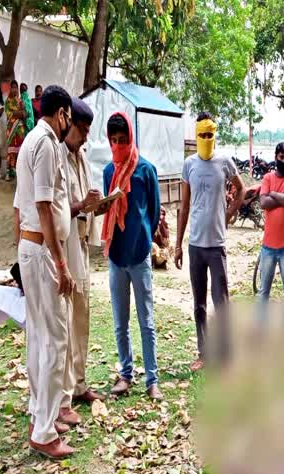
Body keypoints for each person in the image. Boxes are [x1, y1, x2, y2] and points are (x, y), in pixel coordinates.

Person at [12, 85, 76, 458]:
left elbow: (22, 206)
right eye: (69, 116)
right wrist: (61, 262)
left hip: (30, 246)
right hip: (43, 250)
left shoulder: (30, 142)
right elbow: (44, 205)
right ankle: (45, 429)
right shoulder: (49, 144)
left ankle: (41, 413)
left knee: (38, 334)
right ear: (63, 112)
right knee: (56, 337)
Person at [175, 112, 244, 372]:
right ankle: (203, 353)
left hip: (216, 246)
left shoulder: (225, 162)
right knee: (199, 304)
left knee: (221, 301)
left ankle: (226, 353)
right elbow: (183, 206)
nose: (205, 138)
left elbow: (242, 189)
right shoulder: (189, 164)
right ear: (196, 134)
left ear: (215, 133)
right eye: (201, 134)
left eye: (209, 134)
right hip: (196, 246)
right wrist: (177, 244)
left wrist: (228, 213)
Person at [102, 112, 162, 400]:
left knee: (146, 321)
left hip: (139, 258)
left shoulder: (145, 170)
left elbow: (153, 211)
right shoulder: (107, 173)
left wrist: (144, 236)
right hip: (116, 258)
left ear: (131, 138)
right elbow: (108, 211)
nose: (118, 146)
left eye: (123, 140)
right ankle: (126, 374)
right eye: (113, 141)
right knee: (120, 322)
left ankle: (152, 379)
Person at [60, 98, 107, 410]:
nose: (86, 136)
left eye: (89, 131)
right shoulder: (56, 154)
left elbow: (87, 200)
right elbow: (55, 206)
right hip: (62, 242)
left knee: (82, 313)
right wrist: (83, 205)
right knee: (64, 317)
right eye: (82, 130)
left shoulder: (83, 155)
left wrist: (102, 203)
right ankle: (63, 391)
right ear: (68, 124)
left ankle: (79, 384)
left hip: (81, 240)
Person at [257, 142, 284, 329]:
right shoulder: (267, 177)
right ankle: (260, 327)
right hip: (268, 246)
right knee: (263, 291)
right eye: (281, 157)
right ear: (276, 157)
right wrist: (280, 197)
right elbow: (263, 203)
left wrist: (274, 194)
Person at [5, 80, 26, 180]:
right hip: (11, 129)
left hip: (20, 130)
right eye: (12, 87)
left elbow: (25, 114)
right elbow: (9, 114)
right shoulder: (7, 102)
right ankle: (9, 173)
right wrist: (19, 113)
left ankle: (19, 173)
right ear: (10, 89)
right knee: (11, 151)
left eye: (15, 87)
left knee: (20, 151)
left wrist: (18, 113)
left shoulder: (20, 101)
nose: (14, 89)